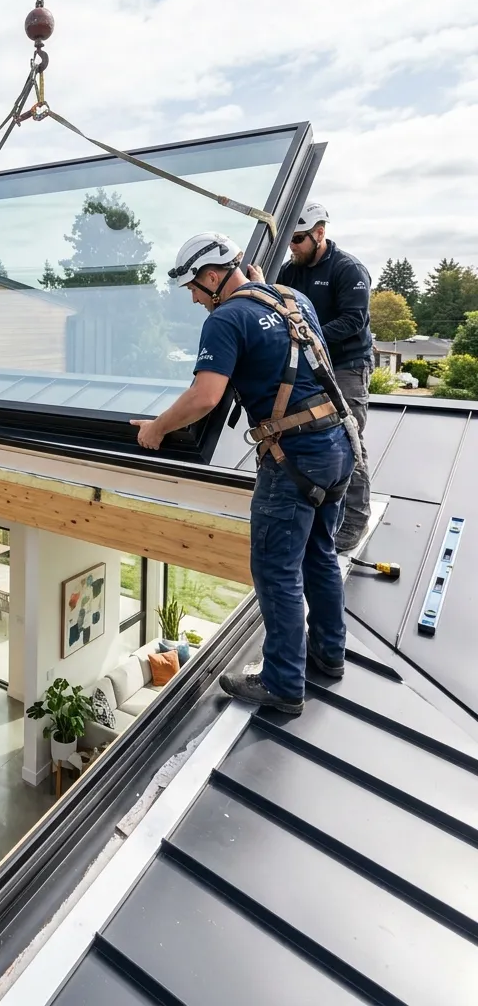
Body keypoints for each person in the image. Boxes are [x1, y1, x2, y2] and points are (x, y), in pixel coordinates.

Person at [132, 232, 358, 716]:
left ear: (214, 277)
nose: (193, 297)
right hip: (338, 445)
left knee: (276, 570)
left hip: (293, 457)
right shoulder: (291, 298)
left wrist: (156, 429)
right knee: (319, 553)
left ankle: (282, 684)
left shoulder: (226, 318)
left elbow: (205, 397)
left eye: (194, 286)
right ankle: (329, 653)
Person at [248, 202, 372, 551]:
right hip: (311, 364)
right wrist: (259, 287)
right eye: (290, 239)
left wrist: (308, 334)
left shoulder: (348, 270)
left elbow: (354, 322)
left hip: (346, 366)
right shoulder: (292, 271)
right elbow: (277, 304)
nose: (293, 246)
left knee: (348, 439)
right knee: (307, 436)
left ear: (320, 233)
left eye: (299, 239)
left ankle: (354, 523)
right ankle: (319, 514)